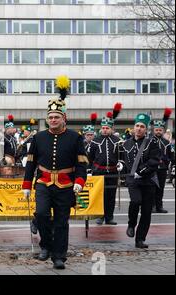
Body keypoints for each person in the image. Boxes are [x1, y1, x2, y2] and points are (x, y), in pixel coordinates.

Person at [22, 76, 88, 270]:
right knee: (41, 215)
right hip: (43, 182)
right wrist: (26, 185)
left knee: (61, 222)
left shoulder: (75, 138)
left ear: (63, 118)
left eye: (56, 117)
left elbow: (82, 163)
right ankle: (46, 246)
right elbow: (31, 163)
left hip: (66, 184)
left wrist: (79, 180)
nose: (53, 120)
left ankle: (59, 256)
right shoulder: (38, 137)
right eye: (50, 117)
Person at [117, 113, 160, 248]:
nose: (139, 129)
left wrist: (140, 172)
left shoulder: (151, 142)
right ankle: (131, 224)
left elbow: (154, 160)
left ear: (146, 129)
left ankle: (140, 239)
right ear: (133, 128)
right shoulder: (126, 143)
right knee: (135, 201)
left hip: (148, 180)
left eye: (142, 126)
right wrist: (121, 168)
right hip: (133, 181)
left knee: (147, 211)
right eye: (137, 126)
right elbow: (123, 160)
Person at [88, 103, 123, 225]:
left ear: (112, 129)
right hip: (99, 172)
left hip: (113, 171)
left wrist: (121, 165)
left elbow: (121, 156)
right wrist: (90, 170)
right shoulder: (95, 141)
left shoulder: (118, 141)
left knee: (111, 195)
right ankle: (100, 216)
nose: (105, 130)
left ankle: (110, 217)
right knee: (100, 195)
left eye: (107, 128)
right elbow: (90, 157)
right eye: (103, 128)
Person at [151, 108, 173, 213]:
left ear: (163, 131)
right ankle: (152, 206)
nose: (158, 131)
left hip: (162, 169)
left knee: (161, 188)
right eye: (156, 130)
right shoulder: (149, 141)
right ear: (154, 130)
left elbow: (170, 155)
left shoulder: (167, 142)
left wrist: (168, 162)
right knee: (152, 188)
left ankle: (159, 206)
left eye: (160, 130)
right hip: (151, 169)